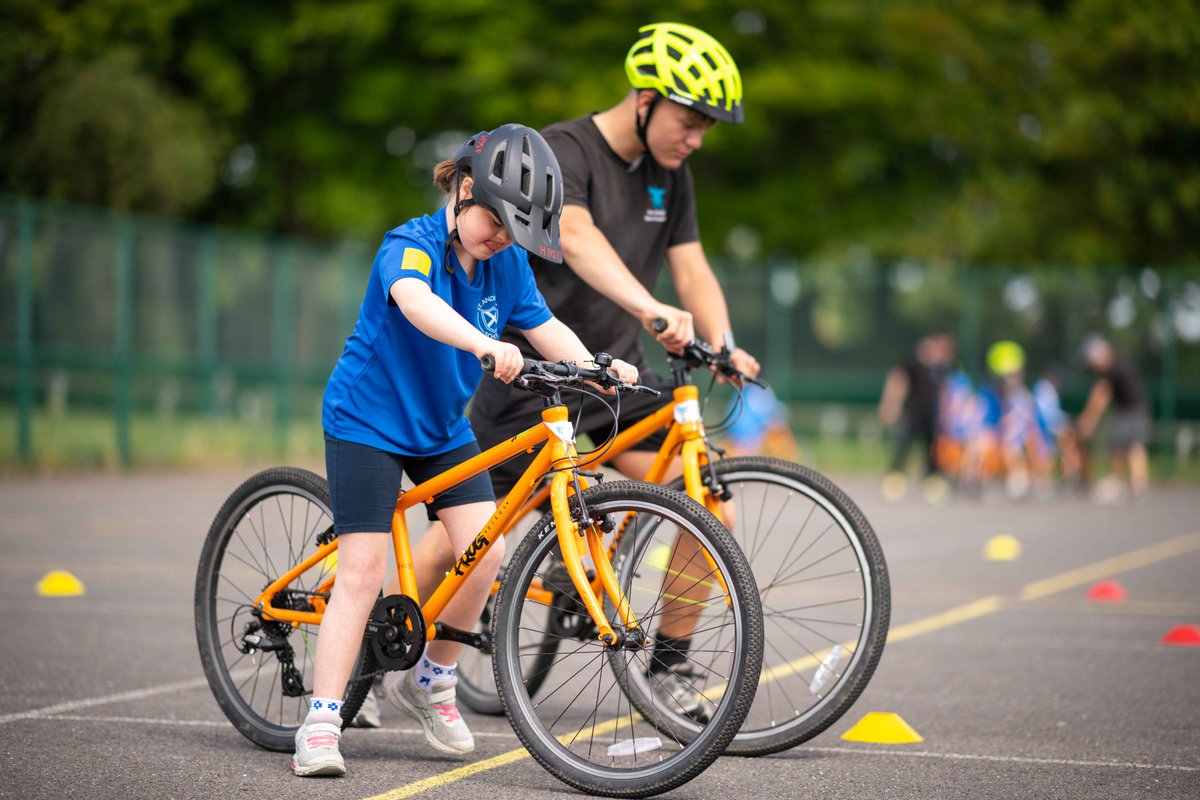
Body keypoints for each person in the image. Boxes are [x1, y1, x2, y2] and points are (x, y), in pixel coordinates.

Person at [295, 123, 637, 777]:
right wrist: (482, 345)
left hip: (440, 427)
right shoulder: (412, 244)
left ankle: (431, 679)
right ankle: (320, 721)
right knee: (364, 571)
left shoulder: (506, 264)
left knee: (486, 549)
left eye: (516, 230)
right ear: (466, 187)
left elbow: (543, 326)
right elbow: (416, 302)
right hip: (367, 418)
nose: (502, 238)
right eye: (497, 221)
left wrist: (598, 365)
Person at [466, 22, 761, 719]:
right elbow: (574, 235)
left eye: (706, 129)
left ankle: (667, 666)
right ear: (645, 98)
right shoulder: (565, 150)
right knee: (463, 543)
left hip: (607, 385)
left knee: (711, 499)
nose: (695, 139)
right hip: (527, 383)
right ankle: (368, 653)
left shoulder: (672, 176)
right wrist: (649, 306)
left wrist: (722, 342)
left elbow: (691, 264)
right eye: (688, 122)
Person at [877, 331, 955, 502]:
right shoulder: (913, 357)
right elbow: (898, 380)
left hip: (931, 415)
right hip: (912, 412)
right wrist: (890, 404)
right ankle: (894, 482)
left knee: (932, 452)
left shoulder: (941, 366)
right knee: (903, 446)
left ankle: (933, 483)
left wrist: (945, 413)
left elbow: (943, 390)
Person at [1076, 333, 1150, 503]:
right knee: (1127, 446)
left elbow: (1100, 397)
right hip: (1131, 409)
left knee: (1128, 446)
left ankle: (1125, 484)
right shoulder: (1117, 364)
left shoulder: (1113, 369)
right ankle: (1135, 486)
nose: (1093, 366)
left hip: (1131, 410)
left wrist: (1088, 420)